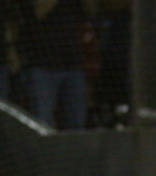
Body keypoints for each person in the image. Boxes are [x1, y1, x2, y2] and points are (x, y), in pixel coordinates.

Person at [16, 0, 96, 129]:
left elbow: (91, 12)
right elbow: (38, 11)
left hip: (72, 63)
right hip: (42, 64)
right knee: (42, 125)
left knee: (76, 125)